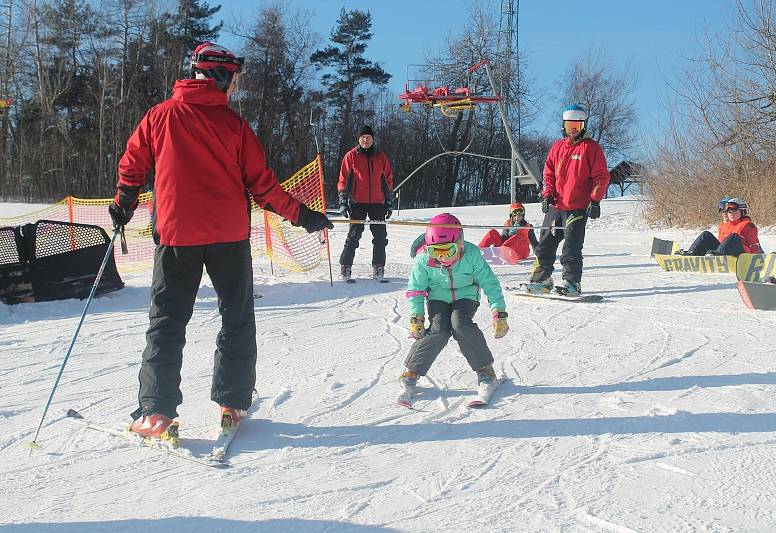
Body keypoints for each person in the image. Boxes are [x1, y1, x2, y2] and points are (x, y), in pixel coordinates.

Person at [108, 42, 333, 441]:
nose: (233, 87)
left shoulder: (160, 116)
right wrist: (304, 215)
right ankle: (233, 401)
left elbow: (132, 163)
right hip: (228, 237)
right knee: (237, 316)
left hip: (178, 235)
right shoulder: (234, 127)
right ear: (223, 76)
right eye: (233, 79)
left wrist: (124, 202)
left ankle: (156, 411)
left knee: (167, 322)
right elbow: (264, 188)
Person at [400, 213, 509, 390]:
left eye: (448, 250)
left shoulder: (472, 254)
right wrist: (416, 318)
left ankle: (484, 369)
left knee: (460, 324)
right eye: (436, 251)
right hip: (437, 297)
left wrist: (499, 314)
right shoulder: (423, 260)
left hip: (466, 296)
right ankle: (413, 370)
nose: (442, 257)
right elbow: (416, 290)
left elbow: (489, 283)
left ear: (460, 243)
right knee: (439, 330)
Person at [527, 104, 610, 296]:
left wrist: (595, 200)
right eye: (570, 125)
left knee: (571, 247)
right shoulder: (557, 147)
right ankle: (542, 280)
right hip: (557, 205)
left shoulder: (590, 148)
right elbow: (548, 174)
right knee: (545, 245)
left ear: (584, 126)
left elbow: (601, 177)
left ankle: (572, 283)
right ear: (564, 126)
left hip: (577, 207)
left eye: (578, 126)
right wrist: (547, 195)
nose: (574, 130)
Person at [337, 125, 394, 282]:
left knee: (380, 236)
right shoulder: (351, 156)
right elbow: (343, 179)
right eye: (363, 137)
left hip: (378, 203)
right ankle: (345, 267)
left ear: (373, 139)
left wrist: (388, 200)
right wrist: (343, 199)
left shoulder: (381, 157)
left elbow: (388, 179)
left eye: (368, 137)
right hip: (357, 202)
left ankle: (378, 267)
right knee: (354, 235)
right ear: (358, 139)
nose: (365, 140)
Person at [676, 198, 762, 256]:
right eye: (729, 212)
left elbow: (754, 247)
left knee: (734, 236)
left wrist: (753, 261)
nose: (731, 214)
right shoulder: (724, 226)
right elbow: (721, 243)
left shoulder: (748, 225)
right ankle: (692, 253)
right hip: (721, 252)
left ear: (742, 212)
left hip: (740, 256)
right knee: (706, 235)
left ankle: (715, 255)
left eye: (734, 211)